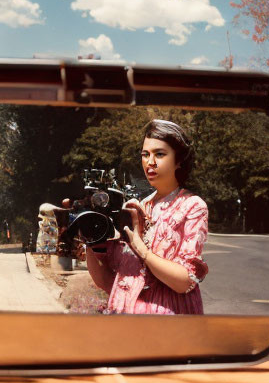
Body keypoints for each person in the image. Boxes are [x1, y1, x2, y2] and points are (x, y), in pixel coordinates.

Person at [85, 119, 208, 314]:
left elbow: (185, 282)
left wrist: (141, 250)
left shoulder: (192, 206)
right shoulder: (137, 207)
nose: (150, 162)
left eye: (160, 154)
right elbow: (107, 282)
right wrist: (90, 243)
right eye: (145, 154)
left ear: (179, 160)